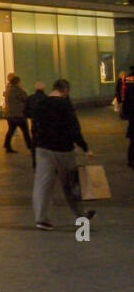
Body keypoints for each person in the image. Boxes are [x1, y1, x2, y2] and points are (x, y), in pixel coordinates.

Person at [31, 79, 96, 230]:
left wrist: (34, 150)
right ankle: (80, 214)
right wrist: (85, 147)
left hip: (42, 148)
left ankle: (41, 219)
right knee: (71, 184)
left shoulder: (41, 104)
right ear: (65, 90)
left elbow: (34, 129)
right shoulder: (65, 105)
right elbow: (74, 129)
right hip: (63, 149)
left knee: (42, 185)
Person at [2, 74, 32, 154]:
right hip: (19, 114)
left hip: (10, 114)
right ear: (17, 82)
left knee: (10, 130)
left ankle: (7, 145)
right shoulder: (19, 91)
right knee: (25, 132)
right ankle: (30, 146)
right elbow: (25, 98)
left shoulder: (8, 90)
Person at [24, 81, 47, 168]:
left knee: (35, 143)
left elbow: (25, 112)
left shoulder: (30, 98)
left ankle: (35, 161)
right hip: (45, 124)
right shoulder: (46, 98)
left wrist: (32, 116)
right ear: (43, 89)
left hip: (35, 124)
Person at [122, 66, 134, 169]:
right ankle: (131, 160)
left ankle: (131, 160)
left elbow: (125, 101)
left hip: (131, 116)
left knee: (132, 141)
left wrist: (125, 114)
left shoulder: (128, 81)